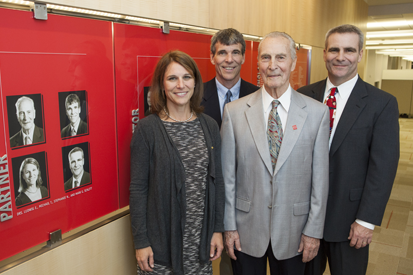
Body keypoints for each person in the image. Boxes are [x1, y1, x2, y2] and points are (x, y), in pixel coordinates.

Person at [221, 31, 329, 275]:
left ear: (292, 62)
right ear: (257, 62)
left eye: (280, 57)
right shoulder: (234, 112)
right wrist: (229, 226)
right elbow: (228, 178)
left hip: (295, 231)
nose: (272, 66)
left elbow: (320, 181)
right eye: (266, 58)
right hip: (245, 230)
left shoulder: (317, 114)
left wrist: (313, 230)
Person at [298, 24, 400, 275]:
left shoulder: (381, 103)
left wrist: (366, 221)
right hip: (303, 219)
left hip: (350, 221)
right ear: (324, 53)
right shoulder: (302, 96)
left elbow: (383, 168)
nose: (340, 57)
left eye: (349, 50)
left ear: (361, 54)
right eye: (334, 49)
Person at [129, 50, 225, 275]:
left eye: (187, 77)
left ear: (195, 82)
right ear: (162, 85)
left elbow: (218, 182)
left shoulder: (209, 126)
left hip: (201, 242)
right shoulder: (147, 129)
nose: (180, 85)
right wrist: (141, 242)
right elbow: (138, 189)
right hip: (161, 244)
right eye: (172, 78)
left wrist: (217, 229)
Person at [202, 28, 259, 128]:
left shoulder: (257, 96)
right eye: (222, 53)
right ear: (212, 57)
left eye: (235, 52)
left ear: (243, 57)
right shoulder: (196, 96)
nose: (229, 60)